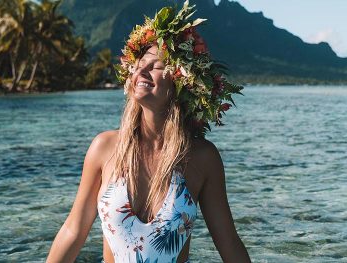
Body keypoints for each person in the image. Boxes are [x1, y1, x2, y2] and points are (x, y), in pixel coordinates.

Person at [46, 1, 251, 262]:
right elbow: (73, 231)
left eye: (154, 65)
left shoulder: (202, 157)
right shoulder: (105, 147)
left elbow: (229, 243)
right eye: (138, 62)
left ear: (182, 81)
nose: (141, 70)